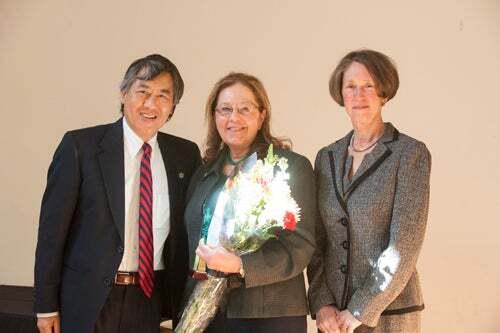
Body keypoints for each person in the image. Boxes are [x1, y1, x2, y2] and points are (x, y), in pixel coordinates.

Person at [34, 54, 201, 333]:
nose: (151, 104)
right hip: (88, 299)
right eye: (142, 92)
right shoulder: (81, 147)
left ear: (173, 106)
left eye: (163, 95)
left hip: (149, 300)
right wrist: (46, 305)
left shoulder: (185, 155)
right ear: (124, 94)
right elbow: (51, 234)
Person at [307, 49, 431, 333]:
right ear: (340, 94)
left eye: (368, 86)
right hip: (334, 319)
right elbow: (315, 241)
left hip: (390, 313)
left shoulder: (409, 154)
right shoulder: (326, 157)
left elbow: (405, 245)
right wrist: (322, 303)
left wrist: (360, 309)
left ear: (384, 93)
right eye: (350, 87)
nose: (358, 95)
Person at [182, 72, 316, 332]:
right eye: (225, 109)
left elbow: (301, 245)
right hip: (208, 313)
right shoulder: (202, 174)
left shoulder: (289, 168)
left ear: (262, 115)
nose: (234, 118)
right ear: (214, 116)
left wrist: (241, 265)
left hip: (268, 315)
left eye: (245, 109)